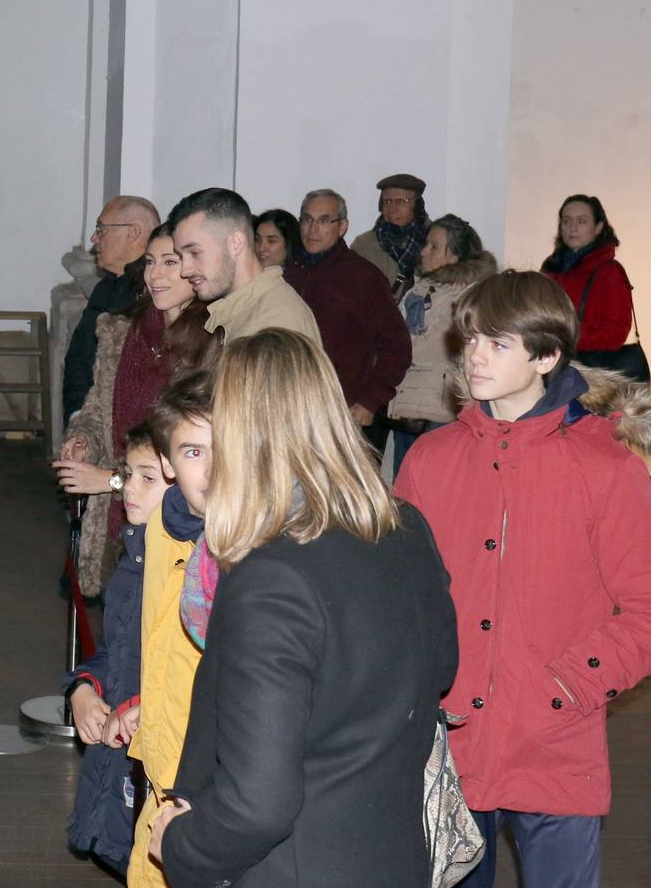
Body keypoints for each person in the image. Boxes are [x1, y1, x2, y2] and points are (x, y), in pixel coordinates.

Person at [150, 328, 458, 887]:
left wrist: (180, 843)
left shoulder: (272, 577)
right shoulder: (404, 527)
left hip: (293, 868)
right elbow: (442, 668)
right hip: (391, 858)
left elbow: (258, 804)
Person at [395, 271, 651, 888]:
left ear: (546, 355)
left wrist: (567, 686)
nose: (475, 357)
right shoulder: (430, 459)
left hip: (555, 745)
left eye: (499, 343)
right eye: (472, 338)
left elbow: (645, 608)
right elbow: (397, 597)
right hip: (448, 745)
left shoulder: (607, 467)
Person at [54, 224, 219, 597]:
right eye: (149, 262)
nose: (155, 274)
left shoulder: (215, 342)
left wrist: (111, 480)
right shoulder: (122, 331)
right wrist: (83, 439)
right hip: (120, 520)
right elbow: (99, 408)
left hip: (180, 524)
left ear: (195, 268)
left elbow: (197, 454)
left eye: (170, 262)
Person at [63, 417, 173, 875]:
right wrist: (84, 690)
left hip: (155, 748)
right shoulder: (133, 561)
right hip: (118, 747)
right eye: (128, 475)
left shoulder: (188, 572)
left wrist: (140, 707)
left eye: (148, 479)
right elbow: (115, 651)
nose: (129, 489)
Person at [126, 371, 212, 888]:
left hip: (210, 772)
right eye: (193, 452)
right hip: (163, 754)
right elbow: (158, 635)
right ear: (167, 461)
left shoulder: (245, 540)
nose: (211, 470)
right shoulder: (162, 523)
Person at [285, 188, 411, 451]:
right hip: (290, 410)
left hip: (341, 413)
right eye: (306, 219)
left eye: (323, 220)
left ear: (342, 226)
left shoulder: (362, 277)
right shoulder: (290, 273)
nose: (312, 229)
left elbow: (397, 346)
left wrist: (370, 401)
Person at [387, 214, 497, 470]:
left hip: (438, 410)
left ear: (455, 255)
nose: (423, 251)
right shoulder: (419, 289)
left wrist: (389, 349)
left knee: (429, 487)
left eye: (433, 246)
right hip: (410, 404)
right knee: (405, 487)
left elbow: (432, 347)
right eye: (426, 244)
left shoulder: (465, 296)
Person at [166, 188, 321, 345]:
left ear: (236, 244)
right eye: (180, 256)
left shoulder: (273, 323)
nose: (185, 271)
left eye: (195, 252)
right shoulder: (246, 309)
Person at [63, 196, 162, 421]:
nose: (94, 239)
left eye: (101, 229)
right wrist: (78, 416)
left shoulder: (159, 291)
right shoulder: (107, 287)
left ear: (133, 232)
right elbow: (79, 356)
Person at [542, 194, 640, 371]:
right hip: (552, 368)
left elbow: (614, 333)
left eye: (581, 221)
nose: (572, 228)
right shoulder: (551, 269)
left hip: (592, 377)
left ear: (598, 227)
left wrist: (564, 338)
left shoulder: (609, 272)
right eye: (566, 221)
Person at [352, 173, 431, 299]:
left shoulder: (434, 243)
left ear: (417, 206)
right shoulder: (363, 246)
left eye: (400, 201)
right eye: (387, 201)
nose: (392, 208)